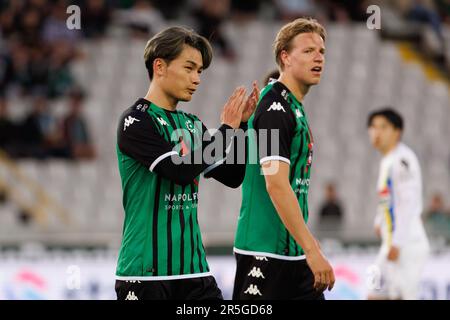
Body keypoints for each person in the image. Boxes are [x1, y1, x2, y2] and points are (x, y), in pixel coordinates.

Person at [114, 26, 258, 300]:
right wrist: (226, 129)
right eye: (189, 68)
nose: (196, 78)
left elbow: (232, 176)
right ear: (160, 66)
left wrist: (240, 126)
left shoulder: (191, 124)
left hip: (194, 272)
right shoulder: (135, 121)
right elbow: (178, 170)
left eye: (200, 71)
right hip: (146, 274)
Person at [233, 17, 335, 300]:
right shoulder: (274, 108)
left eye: (322, 52)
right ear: (285, 57)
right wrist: (313, 250)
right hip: (264, 255)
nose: (318, 58)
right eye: (308, 51)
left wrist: (308, 246)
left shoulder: (293, 106)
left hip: (295, 253)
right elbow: (276, 184)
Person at [367, 108, 430, 300]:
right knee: (374, 294)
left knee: (401, 296)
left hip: (406, 243)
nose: (376, 132)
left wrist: (398, 241)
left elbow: (407, 203)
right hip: (391, 243)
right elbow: (389, 198)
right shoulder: (387, 161)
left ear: (397, 132)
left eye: (383, 127)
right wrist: (380, 221)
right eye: (373, 127)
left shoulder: (403, 159)